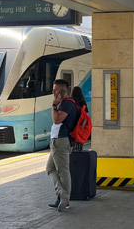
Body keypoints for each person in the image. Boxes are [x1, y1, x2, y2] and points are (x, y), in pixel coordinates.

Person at [47, 79, 78, 212]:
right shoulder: (64, 104)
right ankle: (62, 195)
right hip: (57, 141)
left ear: (63, 91)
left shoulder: (67, 104)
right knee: (50, 168)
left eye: (56, 90)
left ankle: (65, 200)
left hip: (60, 141)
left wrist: (54, 106)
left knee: (63, 171)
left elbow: (57, 119)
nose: (53, 92)